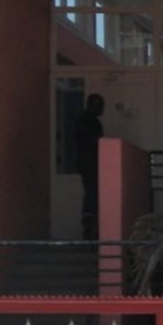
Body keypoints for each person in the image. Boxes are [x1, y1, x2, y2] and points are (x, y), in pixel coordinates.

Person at [74, 92, 104, 239]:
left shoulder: (90, 121)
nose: (102, 109)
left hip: (90, 164)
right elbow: (87, 143)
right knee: (92, 196)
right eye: (100, 105)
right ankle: (90, 230)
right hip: (89, 164)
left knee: (92, 196)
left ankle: (91, 229)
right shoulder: (86, 121)